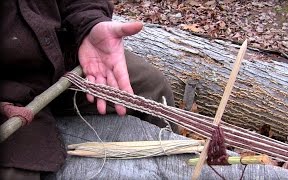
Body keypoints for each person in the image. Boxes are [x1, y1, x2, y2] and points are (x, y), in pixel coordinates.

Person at [0, 0, 176, 179]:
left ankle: (175, 162)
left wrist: (91, 22)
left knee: (151, 85)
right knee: (17, 172)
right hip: (9, 90)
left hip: (60, 54)